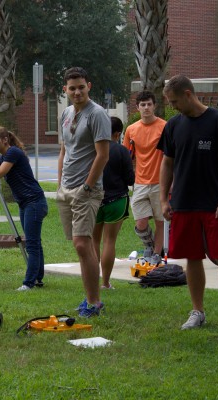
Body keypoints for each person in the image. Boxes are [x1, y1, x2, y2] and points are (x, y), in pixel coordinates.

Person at [158, 74, 218, 330]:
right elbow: (167, 163)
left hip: (215, 204)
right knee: (192, 257)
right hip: (184, 203)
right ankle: (198, 312)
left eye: (175, 101)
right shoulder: (173, 125)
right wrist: (164, 198)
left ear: (188, 94)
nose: (173, 106)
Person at [56, 67, 110, 317]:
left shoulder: (97, 114)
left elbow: (103, 155)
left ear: (88, 86)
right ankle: (91, 298)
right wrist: (59, 184)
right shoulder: (66, 113)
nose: (77, 92)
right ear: (65, 90)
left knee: (82, 243)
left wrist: (87, 187)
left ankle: (94, 302)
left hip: (86, 190)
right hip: (66, 188)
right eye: (72, 88)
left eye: (81, 87)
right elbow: (64, 150)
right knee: (81, 245)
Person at [0, 126, 48, 291]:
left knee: (32, 244)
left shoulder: (13, 152)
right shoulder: (4, 156)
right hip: (26, 202)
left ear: (5, 140)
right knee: (34, 242)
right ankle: (38, 278)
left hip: (34, 201)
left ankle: (29, 283)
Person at [123, 90, 166, 264]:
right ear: (137, 107)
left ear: (154, 106)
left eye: (149, 104)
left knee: (160, 222)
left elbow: (173, 156)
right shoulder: (131, 130)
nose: (146, 107)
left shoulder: (165, 126)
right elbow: (127, 156)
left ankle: (156, 254)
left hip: (160, 182)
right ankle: (150, 247)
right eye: (143, 105)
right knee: (140, 223)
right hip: (140, 182)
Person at [92, 117, 135, 289]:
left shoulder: (92, 148)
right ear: (117, 134)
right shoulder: (122, 151)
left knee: (94, 241)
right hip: (116, 199)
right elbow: (130, 179)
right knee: (109, 241)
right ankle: (106, 282)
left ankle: (93, 281)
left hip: (94, 199)